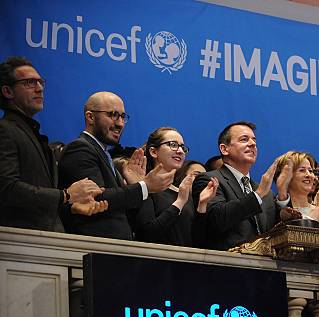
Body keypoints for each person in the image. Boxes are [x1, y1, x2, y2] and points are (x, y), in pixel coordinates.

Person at [0, 56, 106, 232]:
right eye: (29, 82)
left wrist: (69, 206)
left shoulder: (33, 134)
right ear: (7, 91)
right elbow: (7, 189)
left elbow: (41, 197)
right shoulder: (5, 130)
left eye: (40, 82)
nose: (39, 88)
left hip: (46, 239)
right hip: (19, 241)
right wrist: (65, 195)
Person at [59, 91, 174, 240]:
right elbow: (95, 198)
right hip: (91, 246)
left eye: (122, 117)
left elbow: (121, 208)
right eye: (112, 115)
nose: (120, 123)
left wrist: (135, 184)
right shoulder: (80, 148)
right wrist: (144, 187)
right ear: (91, 117)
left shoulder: (104, 154)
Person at [192, 121, 292, 250]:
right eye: (244, 139)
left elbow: (277, 232)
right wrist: (258, 194)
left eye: (254, 140)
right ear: (224, 149)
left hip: (264, 266)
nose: (252, 144)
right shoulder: (209, 179)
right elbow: (216, 220)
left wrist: (283, 194)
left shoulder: (264, 192)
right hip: (226, 264)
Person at [132, 127, 218, 246]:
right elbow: (146, 235)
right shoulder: (145, 188)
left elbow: (198, 242)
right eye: (173, 145)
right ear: (154, 152)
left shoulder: (184, 193)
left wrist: (201, 206)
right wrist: (179, 203)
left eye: (182, 147)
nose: (180, 151)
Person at [274, 151, 319, 220]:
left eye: (310, 171)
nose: (309, 175)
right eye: (302, 170)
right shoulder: (283, 213)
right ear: (285, 177)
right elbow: (301, 233)